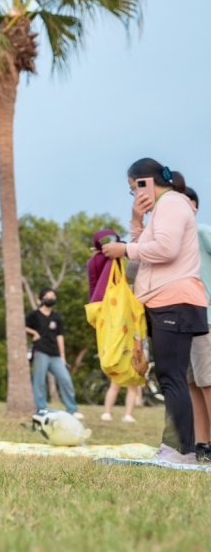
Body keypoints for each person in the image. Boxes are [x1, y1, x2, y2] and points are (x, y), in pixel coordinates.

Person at [102, 159, 208, 463]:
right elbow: (146, 250)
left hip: (175, 299)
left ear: (145, 182)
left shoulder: (172, 204)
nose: (134, 194)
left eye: (133, 188)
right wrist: (136, 221)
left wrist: (124, 250)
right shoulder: (163, 208)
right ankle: (178, 447)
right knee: (171, 376)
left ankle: (181, 450)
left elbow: (165, 249)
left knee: (171, 376)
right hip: (165, 300)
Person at [86, 229, 142, 423]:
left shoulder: (96, 263)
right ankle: (123, 414)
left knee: (118, 380)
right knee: (130, 382)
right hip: (122, 324)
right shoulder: (111, 266)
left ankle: (110, 412)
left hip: (111, 322)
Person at [182, 187, 211, 461]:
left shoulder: (202, 232)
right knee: (193, 383)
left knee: (208, 382)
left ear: (195, 208)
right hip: (184, 321)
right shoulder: (173, 241)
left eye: (188, 204)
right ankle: (203, 444)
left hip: (206, 320)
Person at [25, 288, 83, 419]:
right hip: (41, 351)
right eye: (48, 296)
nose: (50, 299)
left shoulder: (56, 317)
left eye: (53, 296)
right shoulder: (34, 315)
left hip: (55, 354)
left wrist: (63, 355)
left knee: (66, 380)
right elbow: (21, 325)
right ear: (41, 298)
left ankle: (72, 409)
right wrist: (33, 333)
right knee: (39, 381)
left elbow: (60, 336)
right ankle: (41, 409)